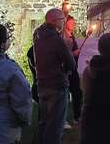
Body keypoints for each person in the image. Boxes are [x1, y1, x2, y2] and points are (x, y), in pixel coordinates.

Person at [34, 8, 76, 144]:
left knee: (44, 123)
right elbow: (70, 62)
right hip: (56, 84)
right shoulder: (55, 39)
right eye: (62, 20)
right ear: (56, 21)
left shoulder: (38, 35)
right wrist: (67, 68)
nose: (64, 23)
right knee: (55, 126)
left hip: (42, 83)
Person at [61, 0, 83, 127]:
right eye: (71, 23)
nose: (73, 25)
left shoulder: (71, 35)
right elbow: (63, 52)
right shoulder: (62, 36)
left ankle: (77, 115)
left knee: (77, 92)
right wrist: (73, 54)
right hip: (65, 68)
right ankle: (62, 119)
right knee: (64, 93)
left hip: (73, 67)